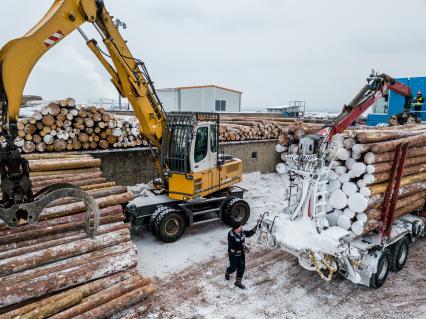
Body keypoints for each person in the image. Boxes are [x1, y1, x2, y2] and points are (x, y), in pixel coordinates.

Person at [225, 222, 258, 289]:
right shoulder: (231, 235)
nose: (241, 228)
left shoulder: (242, 232)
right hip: (233, 255)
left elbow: (248, 234)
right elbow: (234, 245)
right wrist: (244, 247)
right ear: (236, 228)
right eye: (240, 227)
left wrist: (254, 229)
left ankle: (238, 282)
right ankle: (228, 271)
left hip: (241, 255)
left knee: (241, 268)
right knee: (233, 268)